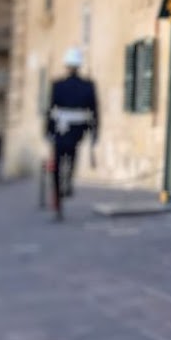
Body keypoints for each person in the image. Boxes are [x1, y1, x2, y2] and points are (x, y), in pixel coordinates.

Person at [46, 47, 98, 220]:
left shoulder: (58, 85)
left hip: (61, 129)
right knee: (72, 155)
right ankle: (68, 180)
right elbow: (94, 111)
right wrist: (94, 133)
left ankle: (58, 201)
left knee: (57, 166)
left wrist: (47, 131)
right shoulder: (88, 86)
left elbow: (50, 109)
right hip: (78, 130)